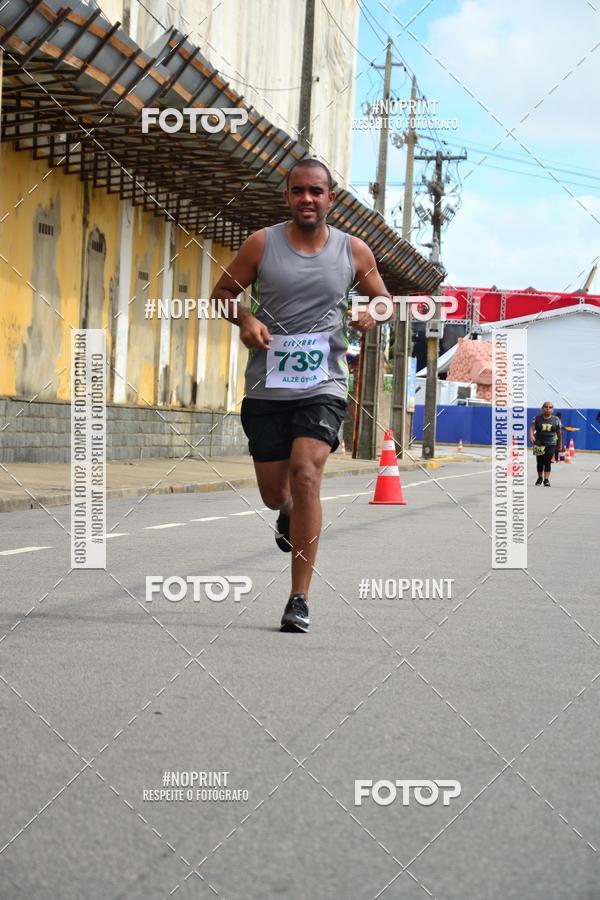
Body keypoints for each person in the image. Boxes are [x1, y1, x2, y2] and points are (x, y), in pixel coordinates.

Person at [211, 158, 390, 632]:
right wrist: (246, 319)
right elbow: (222, 295)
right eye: (298, 191)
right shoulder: (261, 244)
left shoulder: (353, 251)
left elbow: (384, 299)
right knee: (275, 494)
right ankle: (287, 513)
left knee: (307, 472)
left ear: (332, 198)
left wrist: (373, 312)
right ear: (287, 197)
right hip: (267, 388)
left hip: (323, 385)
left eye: (317, 191)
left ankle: (298, 598)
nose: (307, 199)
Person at [529, 401, 562, 486]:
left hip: (551, 443)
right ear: (542, 409)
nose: (548, 409)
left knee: (547, 461)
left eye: (550, 407)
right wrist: (532, 436)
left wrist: (560, 444)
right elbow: (532, 428)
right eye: (546, 407)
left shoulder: (556, 419)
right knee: (539, 461)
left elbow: (559, 432)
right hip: (539, 442)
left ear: (553, 410)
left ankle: (546, 480)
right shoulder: (537, 418)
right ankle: (540, 478)